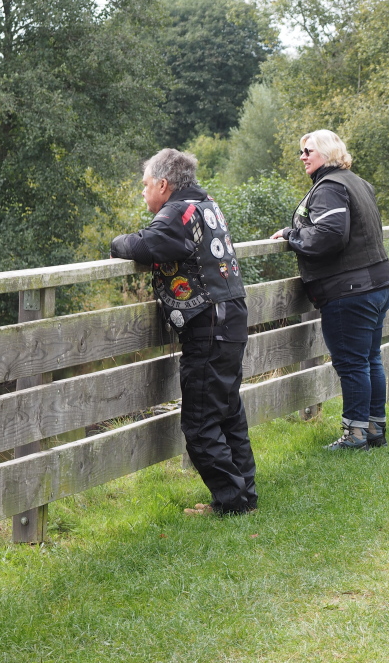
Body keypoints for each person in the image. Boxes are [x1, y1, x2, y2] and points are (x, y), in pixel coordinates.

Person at [110, 148, 257, 516]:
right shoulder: (206, 204)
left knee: (200, 424)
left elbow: (145, 245)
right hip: (229, 316)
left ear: (163, 184)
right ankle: (243, 496)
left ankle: (233, 502)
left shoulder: (177, 212)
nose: (143, 191)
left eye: (145, 184)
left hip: (209, 325)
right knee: (228, 413)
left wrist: (116, 244)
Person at [270, 130, 389, 450]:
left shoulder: (329, 187)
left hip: (350, 290)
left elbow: (329, 235)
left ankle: (355, 436)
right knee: (370, 359)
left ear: (326, 153)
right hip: (376, 283)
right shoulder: (357, 183)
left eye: (308, 151)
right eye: (302, 151)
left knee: (353, 363)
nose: (302, 156)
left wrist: (290, 235)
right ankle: (374, 429)